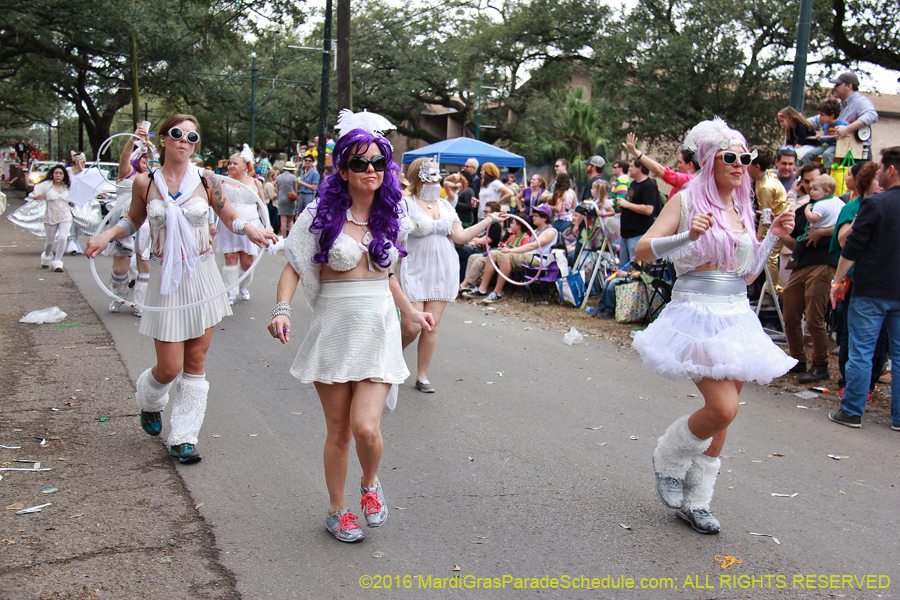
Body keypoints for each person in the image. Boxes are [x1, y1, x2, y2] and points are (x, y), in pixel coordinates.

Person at [267, 114, 434, 542]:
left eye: (378, 162)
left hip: (379, 329)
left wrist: (411, 313)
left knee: (366, 427)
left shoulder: (392, 214)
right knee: (339, 431)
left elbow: (387, 276)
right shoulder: (318, 215)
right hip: (334, 330)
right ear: (342, 170)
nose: (371, 171)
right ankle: (337, 510)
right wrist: (282, 309)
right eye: (360, 164)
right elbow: (294, 266)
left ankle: (370, 484)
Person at [632, 118, 797, 534]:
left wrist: (772, 237)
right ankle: (668, 459)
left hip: (737, 315)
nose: (741, 164)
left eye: (746, 158)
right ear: (709, 161)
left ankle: (697, 500)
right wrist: (686, 235)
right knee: (723, 407)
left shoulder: (743, 206)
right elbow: (644, 250)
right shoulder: (686, 201)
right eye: (731, 157)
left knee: (725, 417)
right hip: (696, 312)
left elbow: (745, 276)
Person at [85, 113, 277, 466]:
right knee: (169, 367)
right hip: (165, 279)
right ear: (162, 139)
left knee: (195, 362)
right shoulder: (146, 182)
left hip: (202, 276)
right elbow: (132, 220)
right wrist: (106, 235)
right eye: (177, 134)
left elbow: (230, 215)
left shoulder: (206, 180)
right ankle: (150, 399)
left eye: (191, 137)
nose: (184, 141)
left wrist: (252, 230)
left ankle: (184, 437)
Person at [399, 158, 508, 393]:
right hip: (416, 265)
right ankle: (393, 356)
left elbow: (460, 236)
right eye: (430, 175)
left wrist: (489, 220)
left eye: (437, 175)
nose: (436, 179)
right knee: (412, 326)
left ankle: (422, 376)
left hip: (443, 266)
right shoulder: (405, 203)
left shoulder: (447, 206)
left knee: (432, 325)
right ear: (419, 176)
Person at [828, 147, 900, 430]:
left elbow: (853, 246)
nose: (878, 172)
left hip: (872, 288)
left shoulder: (875, 204)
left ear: (891, 170)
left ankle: (852, 410)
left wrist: (837, 280)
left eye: (880, 167)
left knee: (861, 351)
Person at [829, 161, 887, 403]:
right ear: (865, 183)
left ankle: (869, 384)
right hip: (856, 279)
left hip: (884, 280)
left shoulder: (888, 205)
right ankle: (848, 386)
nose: (881, 183)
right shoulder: (855, 207)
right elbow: (844, 241)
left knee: (880, 340)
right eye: (876, 178)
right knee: (851, 336)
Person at [463, 204, 558, 304]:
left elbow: (532, 246)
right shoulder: (536, 231)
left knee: (504, 255)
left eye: (535, 216)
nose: (532, 217)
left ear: (544, 218)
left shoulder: (551, 232)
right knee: (493, 254)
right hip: (528, 257)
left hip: (538, 260)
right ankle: (482, 289)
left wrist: (510, 250)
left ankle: (497, 292)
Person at [107, 124, 155, 316]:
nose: (146, 160)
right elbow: (124, 156)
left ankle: (141, 303)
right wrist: (133, 139)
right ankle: (118, 296)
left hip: (146, 223)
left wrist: (150, 147)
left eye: (148, 158)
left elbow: (159, 161)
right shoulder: (127, 174)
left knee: (145, 262)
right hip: (124, 221)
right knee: (120, 268)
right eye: (142, 157)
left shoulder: (154, 178)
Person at [218, 149, 267, 305]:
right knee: (230, 258)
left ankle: (243, 286)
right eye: (230, 163)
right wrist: (212, 223)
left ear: (245, 166)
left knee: (247, 262)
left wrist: (268, 226)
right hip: (228, 224)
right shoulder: (222, 181)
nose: (231, 166)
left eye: (235, 163)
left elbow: (262, 205)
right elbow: (215, 203)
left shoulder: (255, 182)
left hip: (251, 224)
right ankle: (230, 292)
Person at [747, 146, 790, 294]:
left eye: (748, 163)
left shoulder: (765, 187)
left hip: (778, 224)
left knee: (769, 256)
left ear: (757, 166)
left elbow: (766, 216)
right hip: (777, 220)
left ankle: (775, 290)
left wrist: (760, 237)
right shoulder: (765, 176)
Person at [809, 72, 879, 156]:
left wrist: (847, 129)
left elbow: (872, 115)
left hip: (857, 155)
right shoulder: (839, 104)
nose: (834, 88)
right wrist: (799, 123)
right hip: (840, 151)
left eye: (837, 85)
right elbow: (819, 119)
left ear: (849, 86)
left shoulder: (861, 102)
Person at [623, 133, 698, 202]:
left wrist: (637, 153)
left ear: (690, 165)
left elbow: (661, 171)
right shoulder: (688, 181)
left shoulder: (689, 180)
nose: (678, 166)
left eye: (680, 163)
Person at [618, 157, 660, 265]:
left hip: (638, 234)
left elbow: (649, 209)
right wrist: (622, 203)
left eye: (632, 166)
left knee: (635, 268)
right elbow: (628, 202)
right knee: (623, 268)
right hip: (626, 233)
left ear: (640, 168)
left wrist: (627, 204)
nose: (629, 169)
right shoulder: (633, 184)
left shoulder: (649, 185)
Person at [33, 165, 72, 272]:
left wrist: (73, 202)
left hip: (65, 216)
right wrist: (37, 197)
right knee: (50, 242)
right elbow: (33, 195)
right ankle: (46, 256)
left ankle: (58, 262)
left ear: (64, 176)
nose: (58, 175)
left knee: (63, 238)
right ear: (52, 174)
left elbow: (73, 202)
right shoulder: (46, 186)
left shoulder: (67, 187)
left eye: (61, 173)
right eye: (56, 173)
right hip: (50, 216)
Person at [802, 98, 848, 170]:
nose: (819, 117)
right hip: (826, 146)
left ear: (832, 116)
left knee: (827, 154)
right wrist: (821, 137)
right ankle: (806, 171)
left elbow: (848, 134)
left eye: (822, 115)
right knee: (809, 154)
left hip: (836, 146)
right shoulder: (825, 125)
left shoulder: (841, 124)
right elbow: (826, 138)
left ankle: (827, 173)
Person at [275, 160, 298, 236]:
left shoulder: (278, 177)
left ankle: (284, 237)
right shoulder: (294, 178)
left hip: (281, 199)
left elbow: (277, 190)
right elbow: (296, 190)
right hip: (291, 200)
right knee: (290, 220)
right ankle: (290, 238)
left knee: (283, 221)